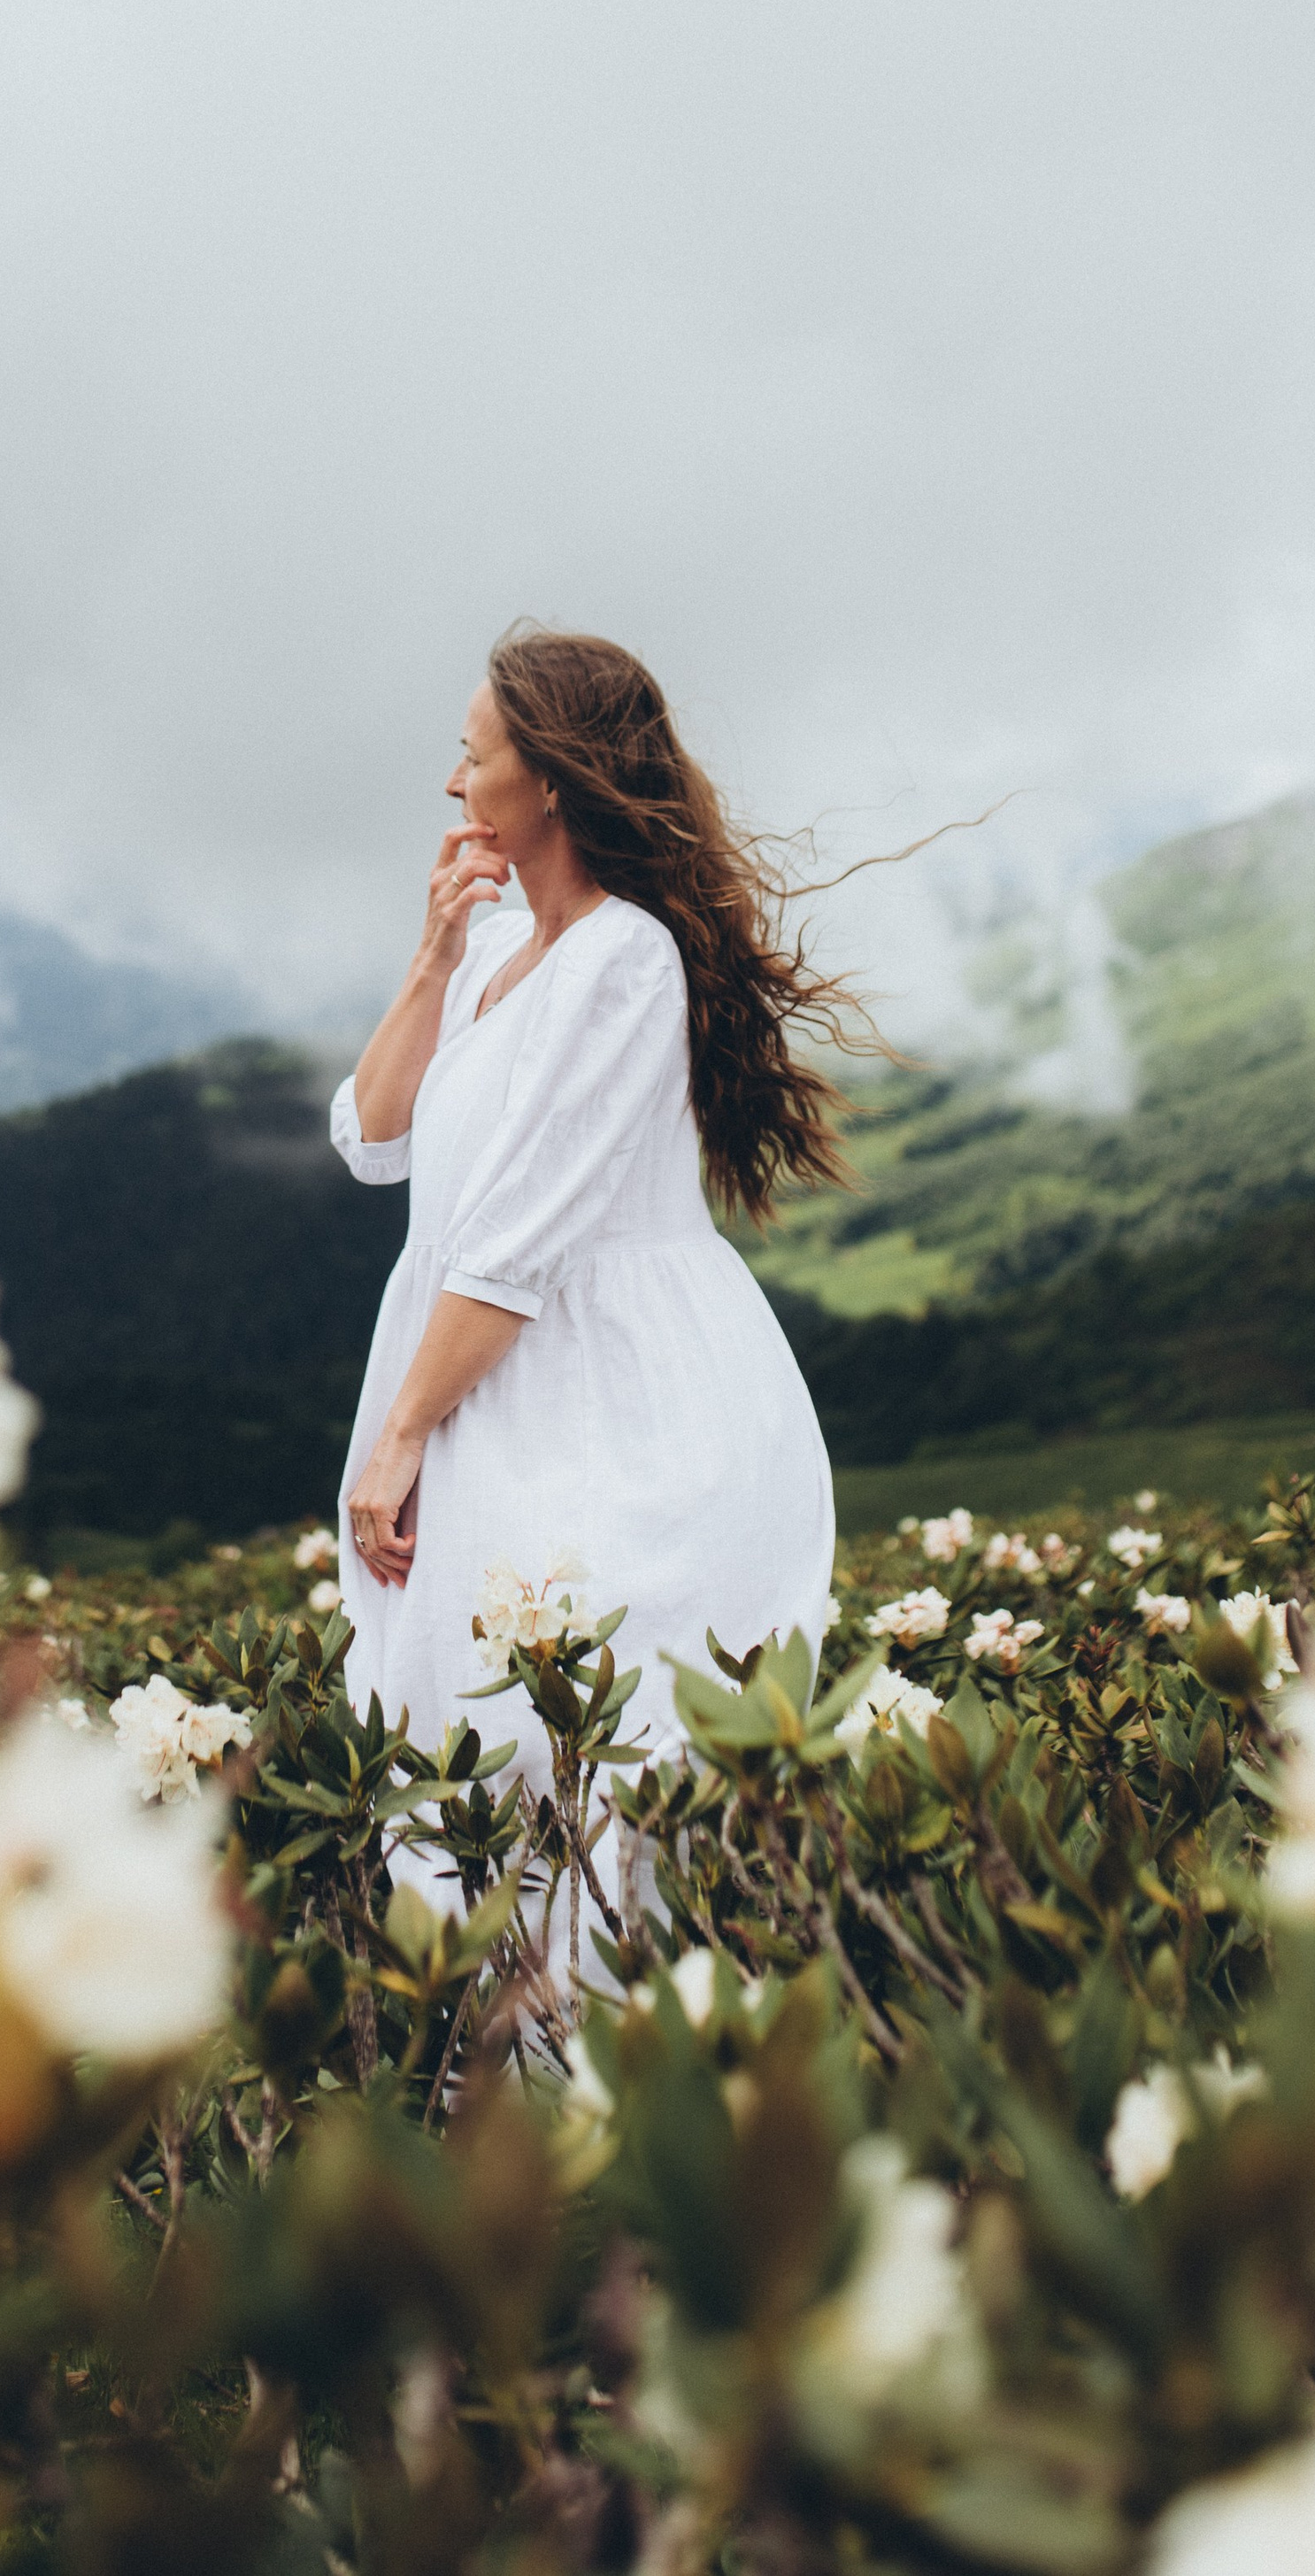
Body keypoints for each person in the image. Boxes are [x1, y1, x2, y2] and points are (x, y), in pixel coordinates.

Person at [331, 623, 859, 1786]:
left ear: (551, 780)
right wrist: (432, 956)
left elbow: (518, 1244)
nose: (453, 781)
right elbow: (371, 1140)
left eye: (473, 756)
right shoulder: (498, 950)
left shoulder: (623, 959)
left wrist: (404, 1432)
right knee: (461, 1723)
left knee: (558, 1740)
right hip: (484, 1369)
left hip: (598, 1388)